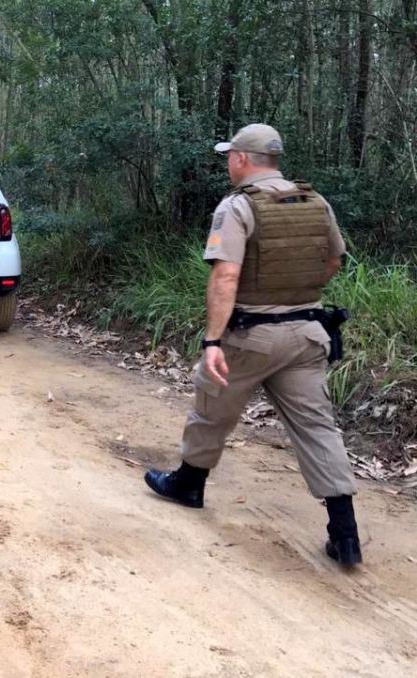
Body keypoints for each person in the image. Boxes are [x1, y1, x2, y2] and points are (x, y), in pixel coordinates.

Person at [143, 123, 362, 566]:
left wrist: (212, 341)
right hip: (306, 333)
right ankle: (346, 533)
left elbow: (226, 275)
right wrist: (295, 295)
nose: (228, 162)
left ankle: (189, 484)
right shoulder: (315, 202)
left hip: (252, 335)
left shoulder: (238, 207)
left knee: (212, 403)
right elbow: (335, 260)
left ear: (242, 158)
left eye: (230, 155)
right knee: (318, 427)